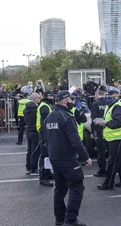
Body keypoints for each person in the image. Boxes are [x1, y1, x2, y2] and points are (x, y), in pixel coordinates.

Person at [45, 91, 92, 226]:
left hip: (55, 157)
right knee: (77, 186)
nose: (72, 102)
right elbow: (75, 141)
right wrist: (85, 157)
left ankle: (59, 218)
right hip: (68, 158)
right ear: (65, 101)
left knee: (60, 188)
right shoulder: (66, 117)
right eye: (71, 100)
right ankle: (70, 220)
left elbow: (45, 139)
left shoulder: (50, 117)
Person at [97, 87, 121, 190]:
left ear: (116, 96)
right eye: (107, 95)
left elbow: (118, 123)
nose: (107, 97)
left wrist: (105, 123)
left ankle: (108, 183)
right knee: (118, 160)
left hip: (119, 138)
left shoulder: (118, 107)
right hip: (113, 138)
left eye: (109, 95)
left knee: (113, 162)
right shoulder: (110, 106)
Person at [37, 91, 56, 186]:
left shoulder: (45, 105)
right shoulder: (45, 107)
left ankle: (48, 173)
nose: (52, 97)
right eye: (51, 96)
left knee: (47, 155)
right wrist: (46, 135)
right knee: (44, 155)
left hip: (44, 133)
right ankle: (43, 177)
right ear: (47, 96)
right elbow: (44, 122)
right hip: (44, 133)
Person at [90, 85, 109, 177]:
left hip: (100, 131)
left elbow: (94, 119)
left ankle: (102, 170)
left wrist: (93, 131)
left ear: (98, 93)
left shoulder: (95, 104)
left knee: (101, 153)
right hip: (110, 130)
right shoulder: (109, 102)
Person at [24, 93, 41, 175]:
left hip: (28, 129)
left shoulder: (26, 108)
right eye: (38, 97)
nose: (39, 99)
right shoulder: (36, 108)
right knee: (35, 150)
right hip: (34, 130)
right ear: (34, 98)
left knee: (29, 150)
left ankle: (28, 167)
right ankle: (34, 168)